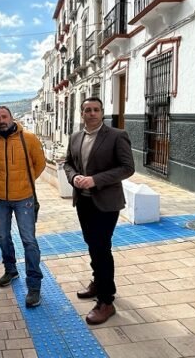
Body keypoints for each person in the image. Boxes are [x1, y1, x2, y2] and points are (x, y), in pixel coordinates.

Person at [63, 96, 134, 324]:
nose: (92, 113)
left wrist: (95, 180)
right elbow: (68, 163)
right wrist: (74, 178)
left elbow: (127, 168)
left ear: (102, 112)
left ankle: (106, 300)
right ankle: (97, 281)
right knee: (92, 244)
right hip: (83, 201)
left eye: (96, 109)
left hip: (106, 202)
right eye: (87, 110)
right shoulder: (75, 137)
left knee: (102, 247)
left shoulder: (116, 136)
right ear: (81, 113)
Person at [0, 106, 46, 307]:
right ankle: (10, 269)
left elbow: (40, 163)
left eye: (4, 116)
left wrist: (24, 182)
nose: (1, 120)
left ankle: (34, 285)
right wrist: (2, 181)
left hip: (24, 198)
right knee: (2, 236)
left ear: (11, 118)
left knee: (29, 240)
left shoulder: (29, 138)